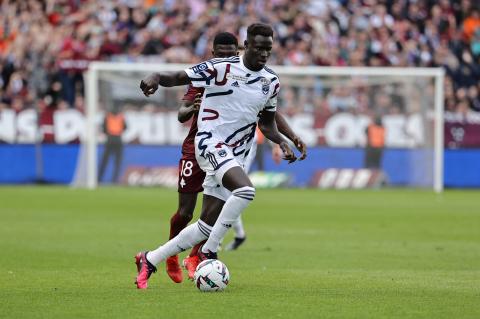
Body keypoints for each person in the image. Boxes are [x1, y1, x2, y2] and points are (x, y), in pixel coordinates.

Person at [135, 23, 306, 289]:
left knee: (205, 225)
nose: (263, 54)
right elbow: (179, 77)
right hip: (209, 143)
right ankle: (209, 252)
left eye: (268, 49)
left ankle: (150, 258)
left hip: (235, 153)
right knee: (246, 191)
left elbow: (268, 123)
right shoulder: (221, 68)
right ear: (246, 46)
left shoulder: (270, 81)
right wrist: (156, 76)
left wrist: (284, 141)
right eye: (259, 48)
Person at [98, 107, 127, 183]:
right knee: (117, 161)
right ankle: (115, 180)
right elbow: (125, 127)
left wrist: (108, 133)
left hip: (110, 139)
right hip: (118, 139)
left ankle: (99, 179)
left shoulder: (108, 116)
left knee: (105, 160)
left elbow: (104, 128)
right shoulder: (121, 117)